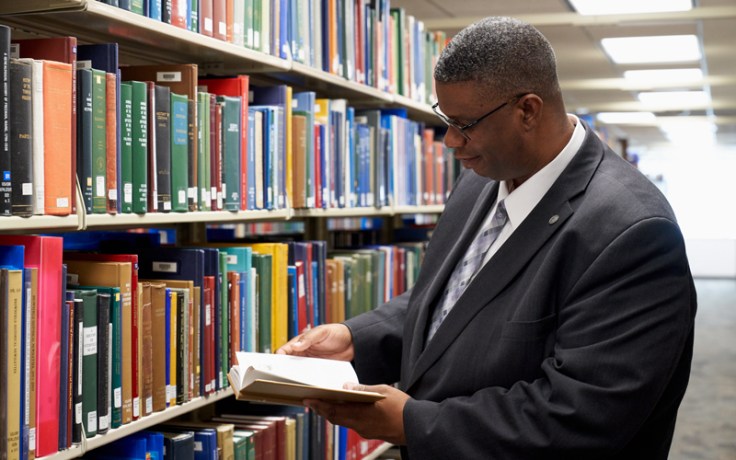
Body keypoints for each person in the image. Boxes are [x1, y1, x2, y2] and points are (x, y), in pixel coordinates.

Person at [277, 16, 696, 459]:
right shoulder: (481, 180)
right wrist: (356, 338)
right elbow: (456, 301)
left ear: (528, 110)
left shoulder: (632, 232)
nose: (449, 141)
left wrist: (413, 423)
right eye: (444, 118)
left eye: (466, 122)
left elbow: (582, 416)